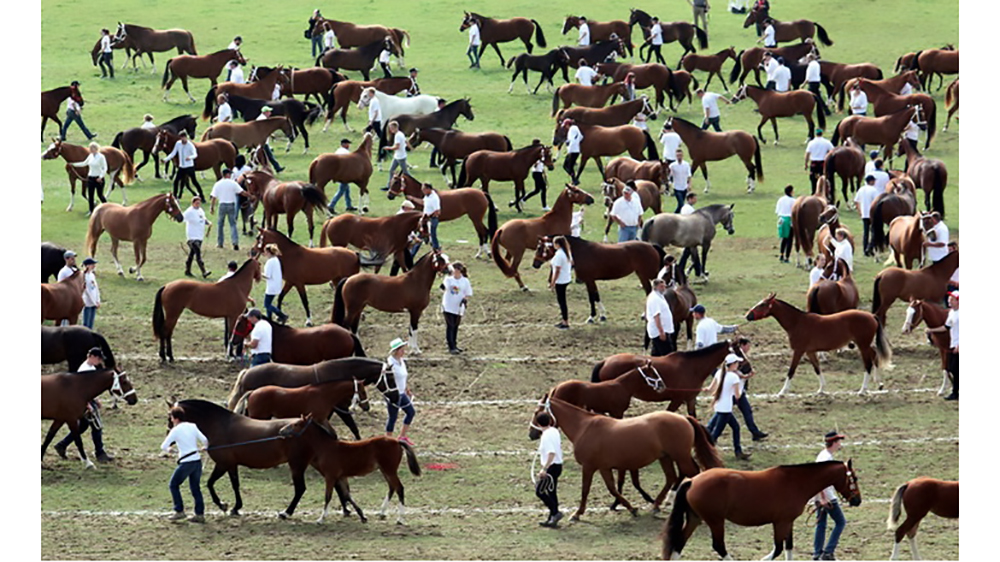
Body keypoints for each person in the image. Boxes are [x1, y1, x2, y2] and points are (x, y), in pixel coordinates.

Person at [53, 347, 114, 464]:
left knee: (83, 426)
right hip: (85, 402)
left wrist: (96, 399)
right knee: (97, 426)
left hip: (88, 400)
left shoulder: (91, 367)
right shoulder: (85, 370)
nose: (100, 362)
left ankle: (62, 445)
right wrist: (88, 404)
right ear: (92, 357)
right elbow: (80, 390)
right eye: (99, 359)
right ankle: (100, 453)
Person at [161, 407, 209, 523]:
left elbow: (163, 446)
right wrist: (204, 447)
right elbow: (205, 440)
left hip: (186, 462)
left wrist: (169, 450)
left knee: (173, 485)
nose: (171, 420)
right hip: (196, 461)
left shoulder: (175, 430)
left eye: (172, 418)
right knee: (195, 488)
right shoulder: (192, 426)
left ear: (176, 418)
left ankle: (179, 511)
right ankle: (199, 514)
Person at [704, 354, 751, 460]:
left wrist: (706, 389)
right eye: (737, 363)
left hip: (719, 406)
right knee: (714, 435)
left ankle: (738, 452)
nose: (738, 365)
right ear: (733, 365)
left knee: (735, 427)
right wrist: (743, 381)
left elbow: (711, 388)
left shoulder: (718, 373)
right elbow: (738, 396)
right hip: (726, 409)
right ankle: (705, 453)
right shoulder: (734, 377)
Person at [813, 431, 848, 560]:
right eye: (839, 441)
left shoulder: (825, 456)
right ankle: (828, 552)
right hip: (826, 496)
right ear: (834, 442)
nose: (840, 444)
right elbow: (818, 479)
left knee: (821, 524)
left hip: (821, 495)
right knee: (841, 522)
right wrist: (823, 498)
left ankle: (817, 553)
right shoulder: (826, 459)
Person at [732, 337, 768, 441]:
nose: (749, 348)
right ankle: (711, 432)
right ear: (743, 345)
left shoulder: (739, 356)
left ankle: (755, 432)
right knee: (722, 416)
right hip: (735, 391)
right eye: (748, 345)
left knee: (747, 411)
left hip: (739, 390)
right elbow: (735, 371)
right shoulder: (737, 358)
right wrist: (747, 375)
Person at [534, 410, 564, 528]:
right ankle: (552, 518)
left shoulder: (546, 436)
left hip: (551, 467)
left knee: (540, 491)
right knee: (551, 492)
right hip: (557, 466)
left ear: (538, 424)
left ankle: (555, 512)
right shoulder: (554, 431)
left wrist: (544, 469)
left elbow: (551, 453)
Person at [927, 291, 959, 401]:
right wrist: (932, 330)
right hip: (953, 344)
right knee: (952, 368)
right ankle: (955, 392)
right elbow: (946, 327)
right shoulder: (951, 313)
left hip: (958, 345)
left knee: (955, 368)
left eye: (952, 299)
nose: (949, 301)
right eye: (949, 299)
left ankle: (955, 392)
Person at [385, 338, 416, 445]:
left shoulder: (401, 361)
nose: (404, 351)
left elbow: (403, 377)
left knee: (411, 412)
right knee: (393, 417)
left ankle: (402, 436)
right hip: (394, 394)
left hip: (402, 393)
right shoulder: (390, 363)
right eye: (401, 349)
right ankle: (388, 440)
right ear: (396, 350)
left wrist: (406, 389)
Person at [210, 168, 245, 251]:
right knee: (233, 224)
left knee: (220, 224)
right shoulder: (233, 183)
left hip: (222, 204)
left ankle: (220, 243)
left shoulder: (218, 184)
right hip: (231, 205)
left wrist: (212, 207)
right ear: (228, 174)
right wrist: (250, 196)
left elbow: (214, 197)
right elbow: (241, 192)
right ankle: (235, 242)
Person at [442, 262, 472, 354]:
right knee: (450, 325)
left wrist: (465, 300)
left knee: (455, 326)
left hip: (458, 307)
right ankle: (451, 346)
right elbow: (443, 288)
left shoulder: (465, 281)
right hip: (448, 306)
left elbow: (468, 293)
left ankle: (454, 344)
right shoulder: (448, 279)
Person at [70, 142, 108, 214]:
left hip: (98, 179)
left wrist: (101, 177)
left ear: (96, 148)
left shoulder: (101, 157)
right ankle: (91, 211)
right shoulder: (90, 156)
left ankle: (107, 208)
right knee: (90, 195)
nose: (91, 150)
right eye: (90, 148)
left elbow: (105, 168)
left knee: (100, 195)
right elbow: (84, 163)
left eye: (92, 148)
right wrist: (73, 164)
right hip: (91, 178)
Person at [162, 131, 202, 200]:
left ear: (186, 137)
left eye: (184, 138)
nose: (183, 140)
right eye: (181, 138)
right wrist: (165, 159)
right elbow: (173, 153)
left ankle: (202, 195)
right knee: (176, 181)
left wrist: (190, 157)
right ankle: (175, 196)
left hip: (189, 167)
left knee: (194, 182)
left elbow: (195, 154)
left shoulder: (190, 145)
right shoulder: (178, 144)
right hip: (181, 167)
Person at [182, 196, 212, 279]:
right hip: (192, 237)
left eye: (199, 203)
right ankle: (204, 271)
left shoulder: (200, 210)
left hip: (199, 236)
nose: (198, 204)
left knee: (192, 253)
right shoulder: (189, 211)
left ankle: (187, 270)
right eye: (196, 203)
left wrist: (208, 223)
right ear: (193, 203)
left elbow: (203, 219)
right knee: (198, 254)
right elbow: (182, 218)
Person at [645, 278, 675, 356]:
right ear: (655, 287)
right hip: (659, 332)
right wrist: (661, 332)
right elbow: (656, 316)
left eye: (664, 286)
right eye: (661, 286)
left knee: (656, 355)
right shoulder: (654, 298)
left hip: (663, 330)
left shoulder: (660, 296)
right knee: (668, 355)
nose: (664, 288)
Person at [549, 236, 573, 330]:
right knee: (562, 301)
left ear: (558, 244)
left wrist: (552, 282)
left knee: (562, 301)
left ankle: (565, 322)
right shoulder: (566, 253)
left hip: (561, 280)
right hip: (566, 278)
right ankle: (564, 320)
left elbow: (557, 270)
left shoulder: (559, 255)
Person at [328, 139, 358, 213]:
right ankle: (331, 205)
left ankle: (349, 205)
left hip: (337, 172)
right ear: (343, 144)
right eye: (347, 144)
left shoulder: (337, 151)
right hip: (344, 173)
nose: (348, 146)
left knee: (346, 189)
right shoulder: (346, 153)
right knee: (342, 189)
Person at [260, 244, 288, 323]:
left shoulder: (270, 262)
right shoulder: (276, 260)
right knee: (269, 304)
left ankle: (282, 315)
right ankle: (269, 319)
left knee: (267, 304)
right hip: (276, 285)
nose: (264, 254)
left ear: (269, 252)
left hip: (271, 287)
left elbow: (267, 276)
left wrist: (259, 274)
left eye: (265, 252)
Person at [518, 144, 549, 211]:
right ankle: (544, 206)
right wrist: (539, 162)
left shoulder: (541, 157)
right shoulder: (537, 157)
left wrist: (544, 173)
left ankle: (523, 199)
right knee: (543, 189)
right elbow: (535, 165)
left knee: (537, 190)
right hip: (537, 173)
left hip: (538, 173)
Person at [853, 175, 880, 256]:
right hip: (872, 214)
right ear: (871, 181)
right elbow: (877, 202)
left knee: (866, 233)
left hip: (864, 214)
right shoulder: (874, 190)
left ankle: (865, 249)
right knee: (874, 232)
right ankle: (870, 247)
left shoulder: (861, 189)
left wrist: (859, 211)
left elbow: (856, 201)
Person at [256, 106, 285, 173]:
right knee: (269, 156)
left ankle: (277, 168)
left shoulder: (263, 118)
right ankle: (277, 168)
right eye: (269, 111)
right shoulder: (262, 119)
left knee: (268, 156)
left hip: (263, 141)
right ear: (265, 112)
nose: (270, 113)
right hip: (263, 141)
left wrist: (271, 134)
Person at [384, 121, 411, 190]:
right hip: (397, 156)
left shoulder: (398, 136)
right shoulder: (400, 134)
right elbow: (406, 141)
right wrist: (410, 148)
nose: (391, 130)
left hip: (400, 157)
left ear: (396, 127)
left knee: (406, 173)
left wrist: (388, 148)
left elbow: (397, 147)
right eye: (390, 128)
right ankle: (389, 185)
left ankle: (412, 184)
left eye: (392, 128)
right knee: (391, 170)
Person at [365, 88, 387, 168]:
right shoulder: (373, 100)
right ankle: (371, 145)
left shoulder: (375, 101)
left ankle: (370, 146)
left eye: (368, 93)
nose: (368, 94)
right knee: (375, 133)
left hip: (375, 120)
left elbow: (376, 112)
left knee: (370, 132)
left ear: (372, 93)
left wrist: (372, 121)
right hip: (374, 120)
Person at [775, 185, 795, 263]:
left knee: (783, 238)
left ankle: (781, 254)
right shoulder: (793, 201)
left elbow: (777, 211)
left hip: (781, 219)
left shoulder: (780, 200)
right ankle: (787, 257)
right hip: (789, 220)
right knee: (790, 239)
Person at [81, 257, 101, 329]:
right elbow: (87, 291)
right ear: (87, 266)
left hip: (94, 302)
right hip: (87, 302)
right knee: (86, 323)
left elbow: (96, 288)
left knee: (91, 322)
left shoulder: (92, 275)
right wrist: (94, 302)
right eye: (92, 264)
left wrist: (98, 300)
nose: (94, 266)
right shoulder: (83, 276)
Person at [422, 182, 442, 250]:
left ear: (428, 189)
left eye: (424, 189)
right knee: (430, 234)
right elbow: (423, 202)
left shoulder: (434, 198)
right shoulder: (427, 196)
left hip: (432, 219)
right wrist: (412, 199)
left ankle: (436, 248)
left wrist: (429, 216)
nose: (422, 190)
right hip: (426, 219)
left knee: (433, 234)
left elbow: (437, 211)